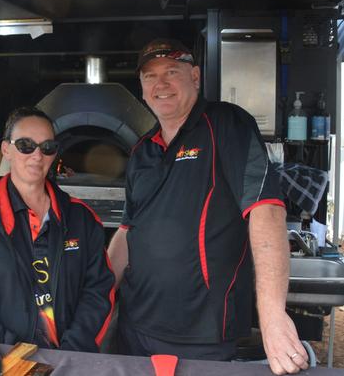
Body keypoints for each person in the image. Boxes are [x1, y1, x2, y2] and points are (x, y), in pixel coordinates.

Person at [107, 38, 308, 375]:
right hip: (135, 324)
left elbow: (266, 208)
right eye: (150, 76)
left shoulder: (227, 123)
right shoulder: (142, 151)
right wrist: (98, 295)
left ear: (195, 77)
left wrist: (273, 315)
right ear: (142, 89)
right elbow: (128, 230)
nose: (161, 84)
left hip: (200, 330)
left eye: (172, 72)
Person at [0, 107, 115, 352]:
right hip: (2, 362)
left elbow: (98, 291)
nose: (37, 155)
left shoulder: (82, 219)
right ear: (6, 150)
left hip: (69, 360)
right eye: (25, 145)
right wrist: (12, 355)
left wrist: (72, 351)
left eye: (47, 147)